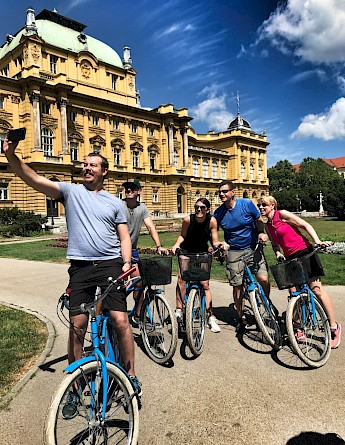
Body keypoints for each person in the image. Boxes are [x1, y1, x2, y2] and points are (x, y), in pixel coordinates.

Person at [4, 137, 141, 419]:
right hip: (80, 268)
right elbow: (32, 179)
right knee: (77, 326)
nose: (87, 168)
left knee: (120, 320)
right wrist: (11, 156)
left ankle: (131, 377)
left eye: (93, 165)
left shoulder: (114, 203)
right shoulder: (70, 191)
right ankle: (75, 386)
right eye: (85, 164)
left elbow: (124, 236)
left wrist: (127, 263)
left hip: (110, 265)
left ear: (104, 171)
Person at [257, 195, 342, 349]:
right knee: (293, 293)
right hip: (290, 259)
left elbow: (305, 225)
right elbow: (275, 245)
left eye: (264, 205)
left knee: (316, 289)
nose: (261, 208)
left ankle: (334, 327)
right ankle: (298, 327)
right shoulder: (268, 225)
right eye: (259, 205)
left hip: (305, 252)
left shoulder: (282, 214)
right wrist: (278, 253)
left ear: (272, 205)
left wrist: (317, 241)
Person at [214, 180, 269, 335]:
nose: (222, 194)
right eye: (220, 192)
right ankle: (241, 316)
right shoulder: (218, 213)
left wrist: (261, 232)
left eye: (225, 191)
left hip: (253, 248)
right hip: (234, 251)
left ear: (233, 192)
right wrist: (218, 244)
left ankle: (264, 307)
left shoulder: (246, 204)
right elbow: (212, 231)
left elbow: (258, 220)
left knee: (263, 279)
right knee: (237, 286)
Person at [172, 198, 223, 333]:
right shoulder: (188, 220)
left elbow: (215, 240)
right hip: (187, 251)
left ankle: (210, 316)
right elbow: (182, 236)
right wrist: (177, 245)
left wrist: (220, 247)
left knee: (205, 284)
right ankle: (179, 309)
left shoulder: (211, 221)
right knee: (181, 279)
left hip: (202, 253)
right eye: (196, 207)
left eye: (202, 207)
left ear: (207, 209)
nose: (199, 210)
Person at [122, 179, 168, 321]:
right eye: (127, 188)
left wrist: (159, 246)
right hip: (117, 250)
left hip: (133, 250)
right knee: (120, 285)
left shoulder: (142, 208)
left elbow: (150, 227)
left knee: (140, 283)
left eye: (132, 188)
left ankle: (138, 313)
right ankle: (118, 316)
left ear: (139, 191)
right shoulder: (119, 205)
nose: (129, 190)